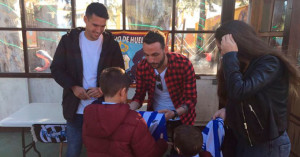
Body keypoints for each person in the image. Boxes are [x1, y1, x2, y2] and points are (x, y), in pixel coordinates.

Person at [212, 20, 300, 157]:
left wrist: (230, 56)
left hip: (267, 144)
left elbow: (239, 91)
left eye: (222, 50)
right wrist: (228, 110)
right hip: (247, 139)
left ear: (237, 44)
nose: (221, 54)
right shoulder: (243, 64)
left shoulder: (270, 63)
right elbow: (248, 99)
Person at [50, 3, 124, 157]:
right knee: (73, 151)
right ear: (85, 19)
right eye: (95, 25)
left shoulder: (111, 44)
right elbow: (56, 69)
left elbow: (119, 74)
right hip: (75, 108)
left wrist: (103, 89)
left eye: (102, 26)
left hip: (103, 109)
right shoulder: (68, 41)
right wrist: (73, 87)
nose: (98, 30)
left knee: (104, 152)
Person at [82, 67, 168, 157]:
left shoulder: (89, 115)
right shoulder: (135, 120)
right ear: (123, 92)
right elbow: (149, 154)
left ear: (102, 90)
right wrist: (162, 144)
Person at [129, 30, 197, 140]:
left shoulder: (183, 64)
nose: (151, 60)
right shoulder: (142, 66)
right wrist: (128, 109)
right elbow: (139, 96)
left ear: (165, 49)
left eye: (155, 55)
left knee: (182, 151)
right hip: (156, 116)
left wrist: (174, 113)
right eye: (147, 55)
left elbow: (191, 100)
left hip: (183, 117)